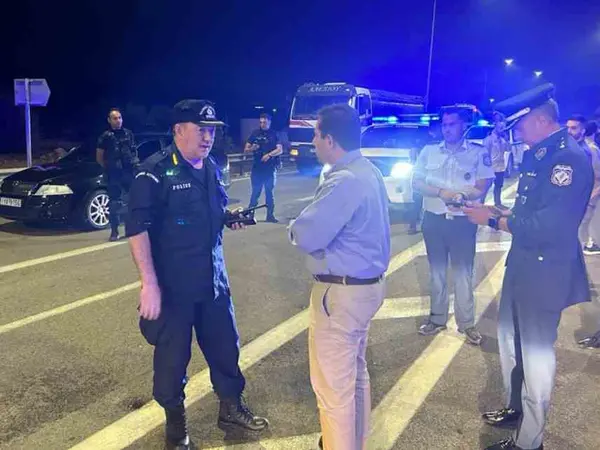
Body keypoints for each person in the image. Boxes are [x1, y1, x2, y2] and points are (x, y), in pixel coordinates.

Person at [126, 100, 268, 450]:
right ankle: (177, 431)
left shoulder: (213, 167)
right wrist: (149, 284)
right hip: (174, 288)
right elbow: (137, 228)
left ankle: (231, 408)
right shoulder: (154, 172)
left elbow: (209, 212)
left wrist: (228, 217)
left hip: (213, 282)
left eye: (212, 130)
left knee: (226, 349)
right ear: (178, 130)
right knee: (172, 363)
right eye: (201, 129)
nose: (208, 137)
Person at [463, 83, 593, 450]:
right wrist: (500, 211)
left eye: (519, 126)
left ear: (540, 120)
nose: (516, 133)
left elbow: (551, 227)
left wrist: (493, 221)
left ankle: (529, 442)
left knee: (535, 356)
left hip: (545, 271)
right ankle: (515, 408)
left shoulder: (566, 160)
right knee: (510, 342)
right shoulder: (541, 154)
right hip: (523, 263)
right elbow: (533, 210)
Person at [288, 104, 390, 450]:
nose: (313, 142)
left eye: (316, 135)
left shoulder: (343, 180)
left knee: (333, 390)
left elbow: (307, 234)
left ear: (330, 139)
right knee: (355, 376)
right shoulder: (368, 171)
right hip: (365, 289)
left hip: (341, 294)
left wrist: (293, 228)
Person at [412, 106, 494, 346]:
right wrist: (441, 192)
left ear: (463, 125)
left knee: (463, 274)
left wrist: (462, 196)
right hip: (434, 219)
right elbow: (416, 182)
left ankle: (467, 323)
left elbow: (483, 183)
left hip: (462, 221)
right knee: (436, 273)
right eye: (444, 125)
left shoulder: (477, 152)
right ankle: (437, 319)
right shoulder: (429, 151)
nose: (447, 129)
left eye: (452, 124)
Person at [96, 108, 138, 241]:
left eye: (120, 118)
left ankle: (131, 228)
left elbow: (133, 150)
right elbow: (99, 156)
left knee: (132, 201)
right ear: (109, 120)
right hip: (114, 174)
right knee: (114, 203)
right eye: (115, 118)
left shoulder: (128, 133)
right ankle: (114, 231)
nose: (118, 120)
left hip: (129, 172)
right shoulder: (105, 136)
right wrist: (109, 167)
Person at [567, 116, 600, 255]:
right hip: (573, 198)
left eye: (574, 128)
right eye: (568, 128)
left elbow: (598, 176)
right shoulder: (569, 147)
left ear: (583, 130)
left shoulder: (590, 150)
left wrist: (590, 198)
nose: (569, 131)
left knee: (581, 229)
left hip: (587, 199)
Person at [244, 113, 283, 223]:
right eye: (261, 122)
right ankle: (250, 216)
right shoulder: (255, 133)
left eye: (264, 122)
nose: (262, 124)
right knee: (255, 193)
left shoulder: (274, 134)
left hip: (270, 169)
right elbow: (246, 149)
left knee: (269, 193)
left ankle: (270, 216)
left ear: (269, 122)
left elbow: (280, 149)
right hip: (257, 168)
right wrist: (252, 148)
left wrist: (269, 155)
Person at [484, 111, 511, 208]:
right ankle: (480, 203)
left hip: (500, 167)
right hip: (491, 168)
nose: (502, 130)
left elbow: (508, 149)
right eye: (500, 128)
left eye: (503, 128)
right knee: (485, 188)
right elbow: (485, 155)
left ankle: (498, 203)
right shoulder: (489, 139)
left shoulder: (502, 140)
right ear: (495, 126)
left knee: (498, 186)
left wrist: (507, 140)